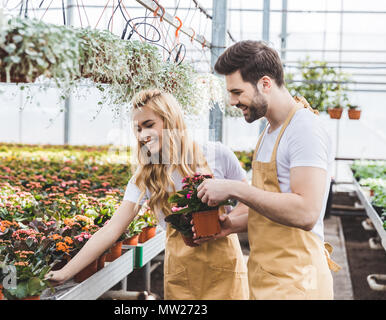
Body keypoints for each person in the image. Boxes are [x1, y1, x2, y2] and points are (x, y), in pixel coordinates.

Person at [46, 88, 250, 300]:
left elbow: (248, 202)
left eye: (149, 125)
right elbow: (112, 229)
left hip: (225, 271)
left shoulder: (217, 154)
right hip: (183, 276)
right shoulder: (146, 175)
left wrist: (225, 224)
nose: (143, 135)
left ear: (170, 120)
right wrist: (65, 272)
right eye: (138, 129)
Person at [196, 40, 341, 300]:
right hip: (269, 278)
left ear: (265, 83)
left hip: (297, 283)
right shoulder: (269, 132)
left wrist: (234, 188)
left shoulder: (304, 129)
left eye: (237, 92)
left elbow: (306, 212)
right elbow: (269, 206)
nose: (232, 101)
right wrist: (230, 224)